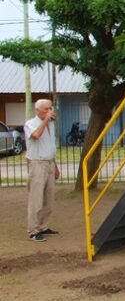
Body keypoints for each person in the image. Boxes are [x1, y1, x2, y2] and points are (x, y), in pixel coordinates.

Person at [24, 99, 61, 242]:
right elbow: (36, 136)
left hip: (49, 162)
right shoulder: (30, 124)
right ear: (37, 110)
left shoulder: (50, 125)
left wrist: (55, 165)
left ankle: (44, 226)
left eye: (50, 108)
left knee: (48, 198)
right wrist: (45, 120)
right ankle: (33, 229)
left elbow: (50, 146)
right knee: (36, 198)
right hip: (37, 163)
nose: (49, 111)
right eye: (46, 109)